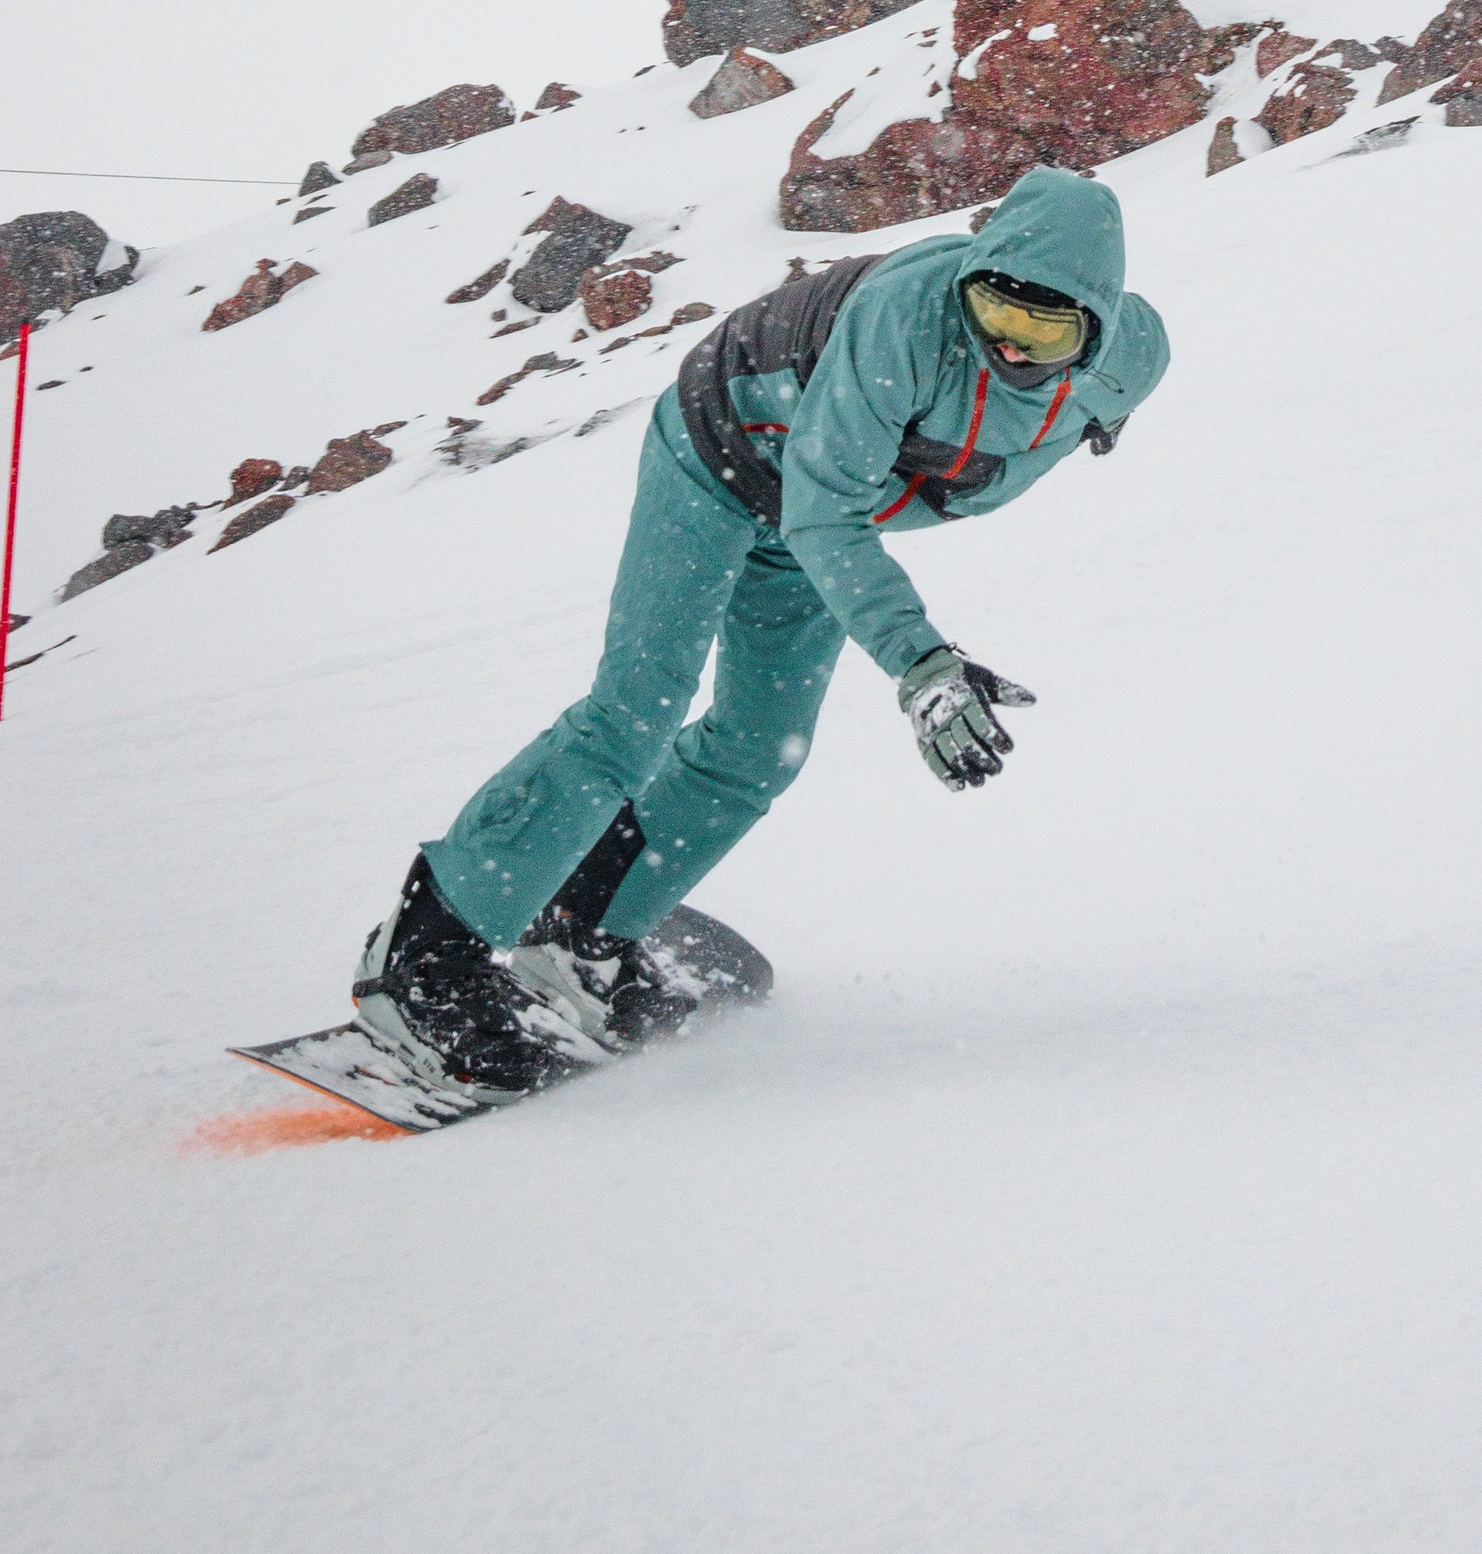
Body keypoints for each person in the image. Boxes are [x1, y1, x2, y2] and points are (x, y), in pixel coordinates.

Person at [352, 162, 1168, 1094]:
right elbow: (824, 517)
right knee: (634, 715)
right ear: (966, 281)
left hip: (824, 509)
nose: (1012, 348)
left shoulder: (1130, 362)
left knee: (759, 748)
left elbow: (864, 498)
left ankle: (582, 937)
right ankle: (424, 963)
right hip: (721, 453)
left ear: (1098, 326)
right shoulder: (906, 322)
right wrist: (921, 662)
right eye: (994, 313)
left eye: (1045, 327)